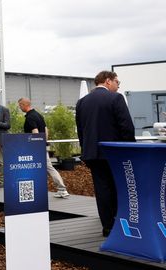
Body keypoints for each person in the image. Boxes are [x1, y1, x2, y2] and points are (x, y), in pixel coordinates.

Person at [75, 70, 135, 237]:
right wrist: (130, 149)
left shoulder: (82, 102)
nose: (118, 86)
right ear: (108, 81)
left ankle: (107, 226)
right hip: (114, 153)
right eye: (117, 82)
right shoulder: (116, 98)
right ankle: (120, 222)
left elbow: (81, 131)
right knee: (118, 187)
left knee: (102, 189)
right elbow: (127, 127)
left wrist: (84, 150)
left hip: (92, 153)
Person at [17, 97, 69, 198]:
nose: (19, 107)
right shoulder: (38, 115)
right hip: (40, 146)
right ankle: (36, 190)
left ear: (24, 105)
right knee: (39, 168)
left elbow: (35, 131)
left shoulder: (30, 117)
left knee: (48, 168)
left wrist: (37, 146)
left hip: (35, 148)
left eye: (20, 105)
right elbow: (46, 129)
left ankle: (62, 189)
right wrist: (43, 142)